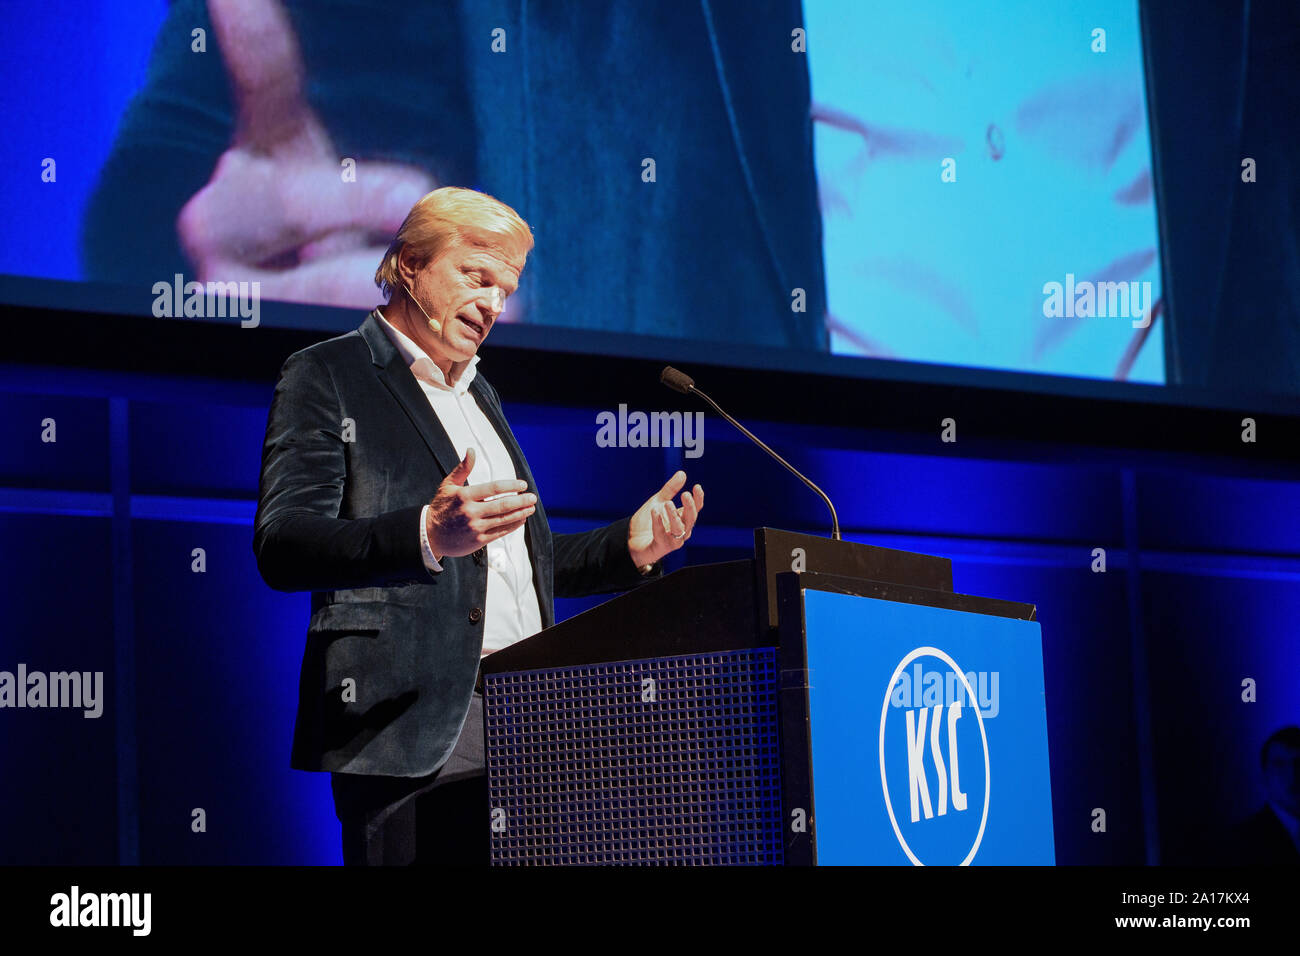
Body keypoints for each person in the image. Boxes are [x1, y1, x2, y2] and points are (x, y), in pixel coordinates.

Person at [252, 186, 705, 865]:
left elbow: (512, 559)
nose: (494, 304)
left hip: (531, 714)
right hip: (411, 721)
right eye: (477, 277)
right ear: (409, 263)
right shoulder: (329, 373)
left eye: (507, 288)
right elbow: (284, 544)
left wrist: (627, 548)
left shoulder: (479, 392)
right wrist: (425, 534)